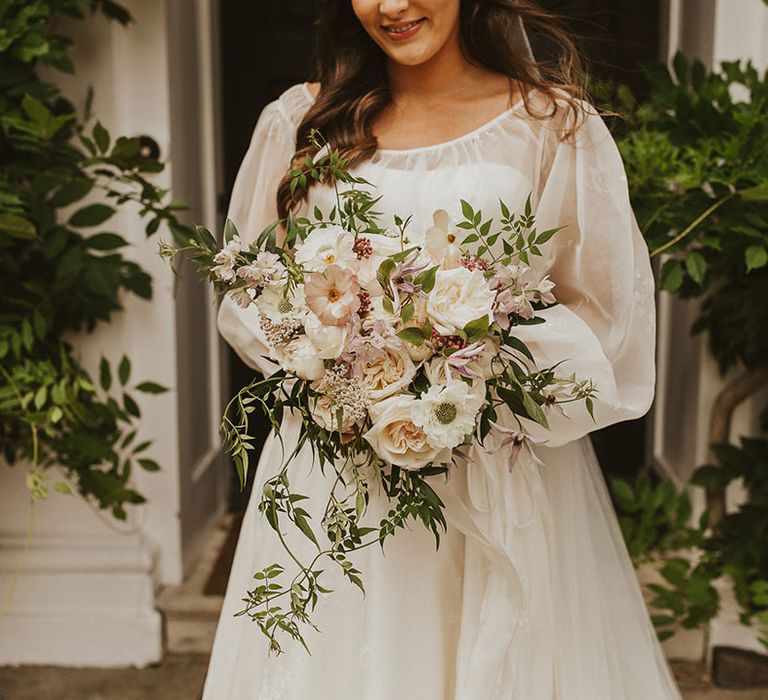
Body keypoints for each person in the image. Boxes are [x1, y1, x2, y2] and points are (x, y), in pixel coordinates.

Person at [203, 1, 684, 698]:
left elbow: (607, 315)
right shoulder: (301, 122)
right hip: (338, 469)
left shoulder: (552, 123)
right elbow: (251, 290)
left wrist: (470, 368)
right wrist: (349, 370)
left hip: (498, 463)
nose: (392, 7)